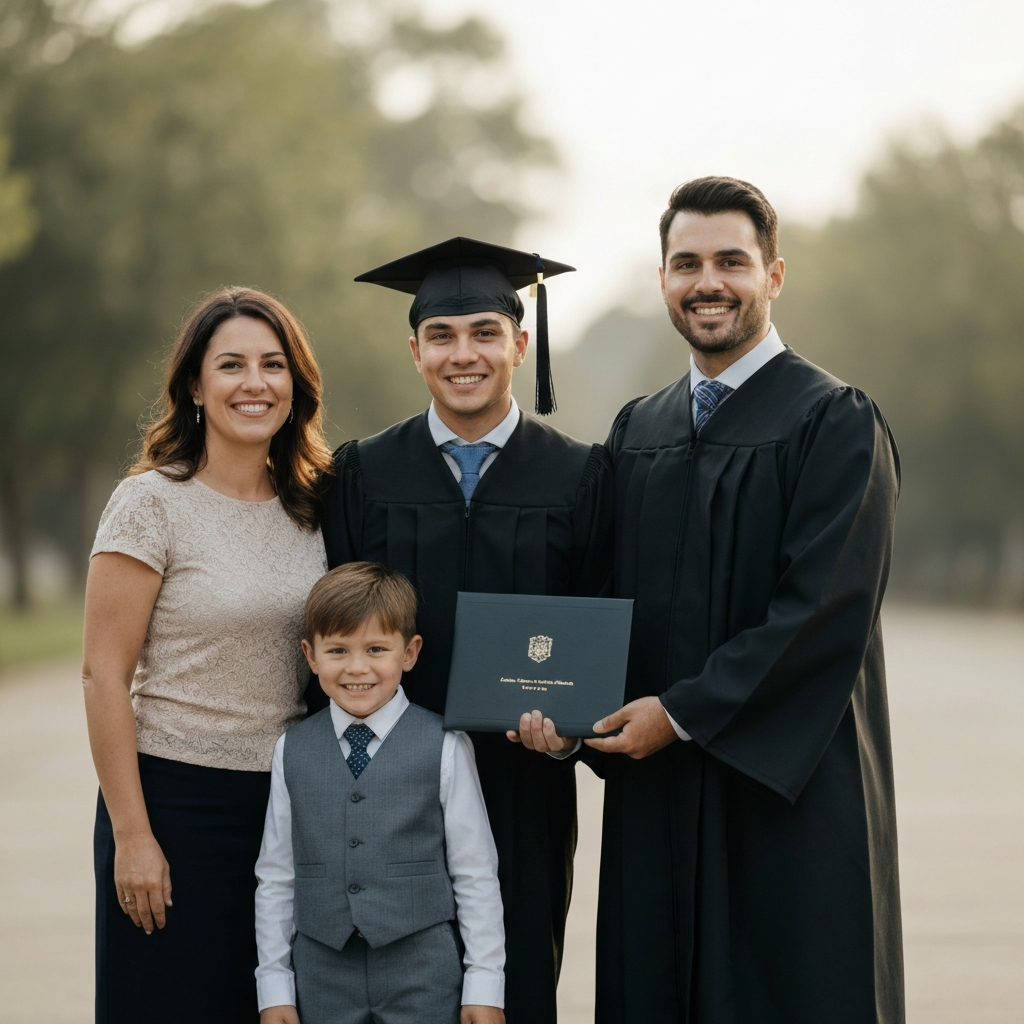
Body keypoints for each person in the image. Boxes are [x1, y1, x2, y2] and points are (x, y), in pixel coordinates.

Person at [584, 177, 904, 1023]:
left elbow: (823, 609)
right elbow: (599, 594)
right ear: (662, 280)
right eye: (686, 263)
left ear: (774, 275)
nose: (707, 282)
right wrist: (563, 703)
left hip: (782, 791)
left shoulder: (832, 419)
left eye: (731, 260)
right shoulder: (638, 430)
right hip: (657, 794)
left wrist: (682, 713)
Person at [321, 237, 614, 1023]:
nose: (465, 354)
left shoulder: (582, 477)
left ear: (521, 344)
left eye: (486, 332)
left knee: (513, 994)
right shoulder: (364, 474)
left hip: (524, 787)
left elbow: (603, 634)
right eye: (443, 336)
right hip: (386, 791)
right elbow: (329, 633)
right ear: (414, 349)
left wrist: (572, 736)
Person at [82, 288, 333, 1023]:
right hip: (171, 806)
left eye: (273, 365)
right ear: (196, 385)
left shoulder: (315, 506)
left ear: (296, 383)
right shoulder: (151, 503)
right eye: (231, 365)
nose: (255, 383)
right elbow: (103, 674)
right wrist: (133, 836)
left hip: (284, 810)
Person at [255, 562, 505, 1024]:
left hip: (424, 973)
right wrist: (274, 988)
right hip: (321, 976)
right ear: (310, 657)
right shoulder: (291, 748)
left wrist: (485, 984)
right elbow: (276, 875)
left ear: (409, 653)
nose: (357, 668)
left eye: (376, 649)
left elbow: (476, 874)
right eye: (337, 650)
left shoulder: (447, 746)